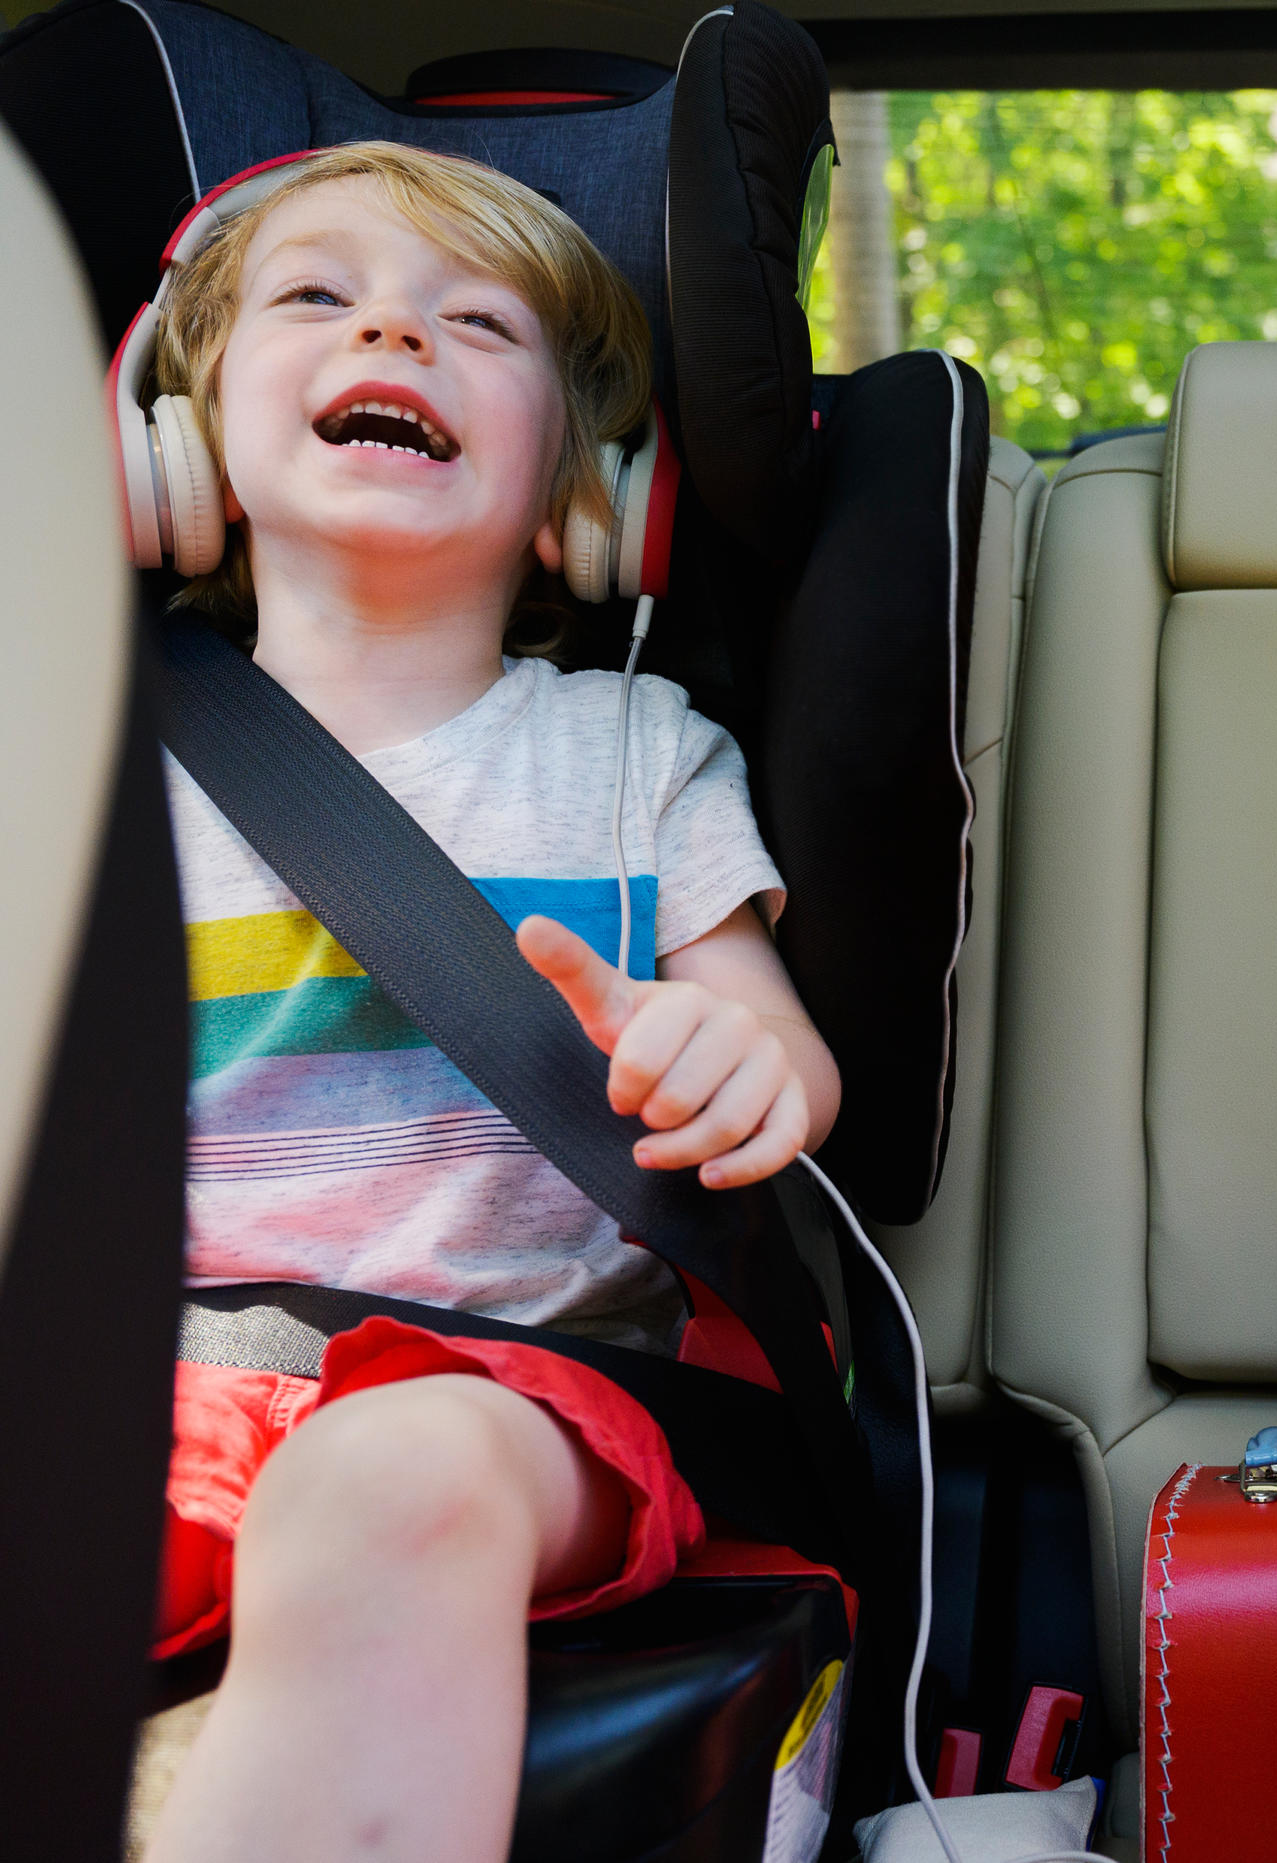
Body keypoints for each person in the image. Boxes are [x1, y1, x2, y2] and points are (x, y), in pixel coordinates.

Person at [138, 143, 841, 1863]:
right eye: (318, 297)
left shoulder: (633, 758)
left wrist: (724, 1058)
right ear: (178, 447)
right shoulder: (74, 768)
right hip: (149, 1393)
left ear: (583, 497)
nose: (396, 330)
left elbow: (776, 1044)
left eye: (476, 321)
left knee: (385, 1484)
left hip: (519, 1401)